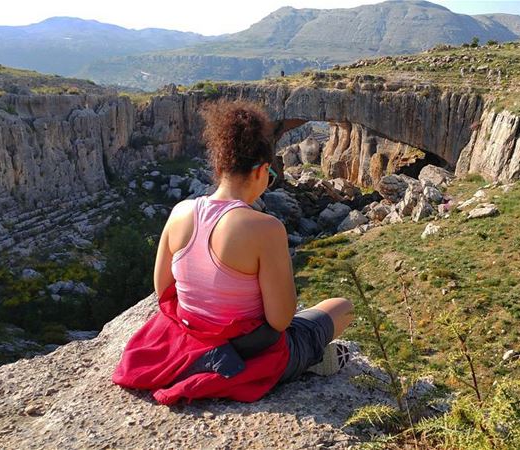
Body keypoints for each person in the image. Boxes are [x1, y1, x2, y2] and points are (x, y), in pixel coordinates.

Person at [112, 99, 354, 405]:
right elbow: (280, 321)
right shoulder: (266, 228)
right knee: (342, 307)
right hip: (249, 356)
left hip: (189, 345)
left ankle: (313, 356)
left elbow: (164, 291)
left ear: (218, 166)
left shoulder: (180, 213)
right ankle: (311, 360)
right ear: (262, 171)